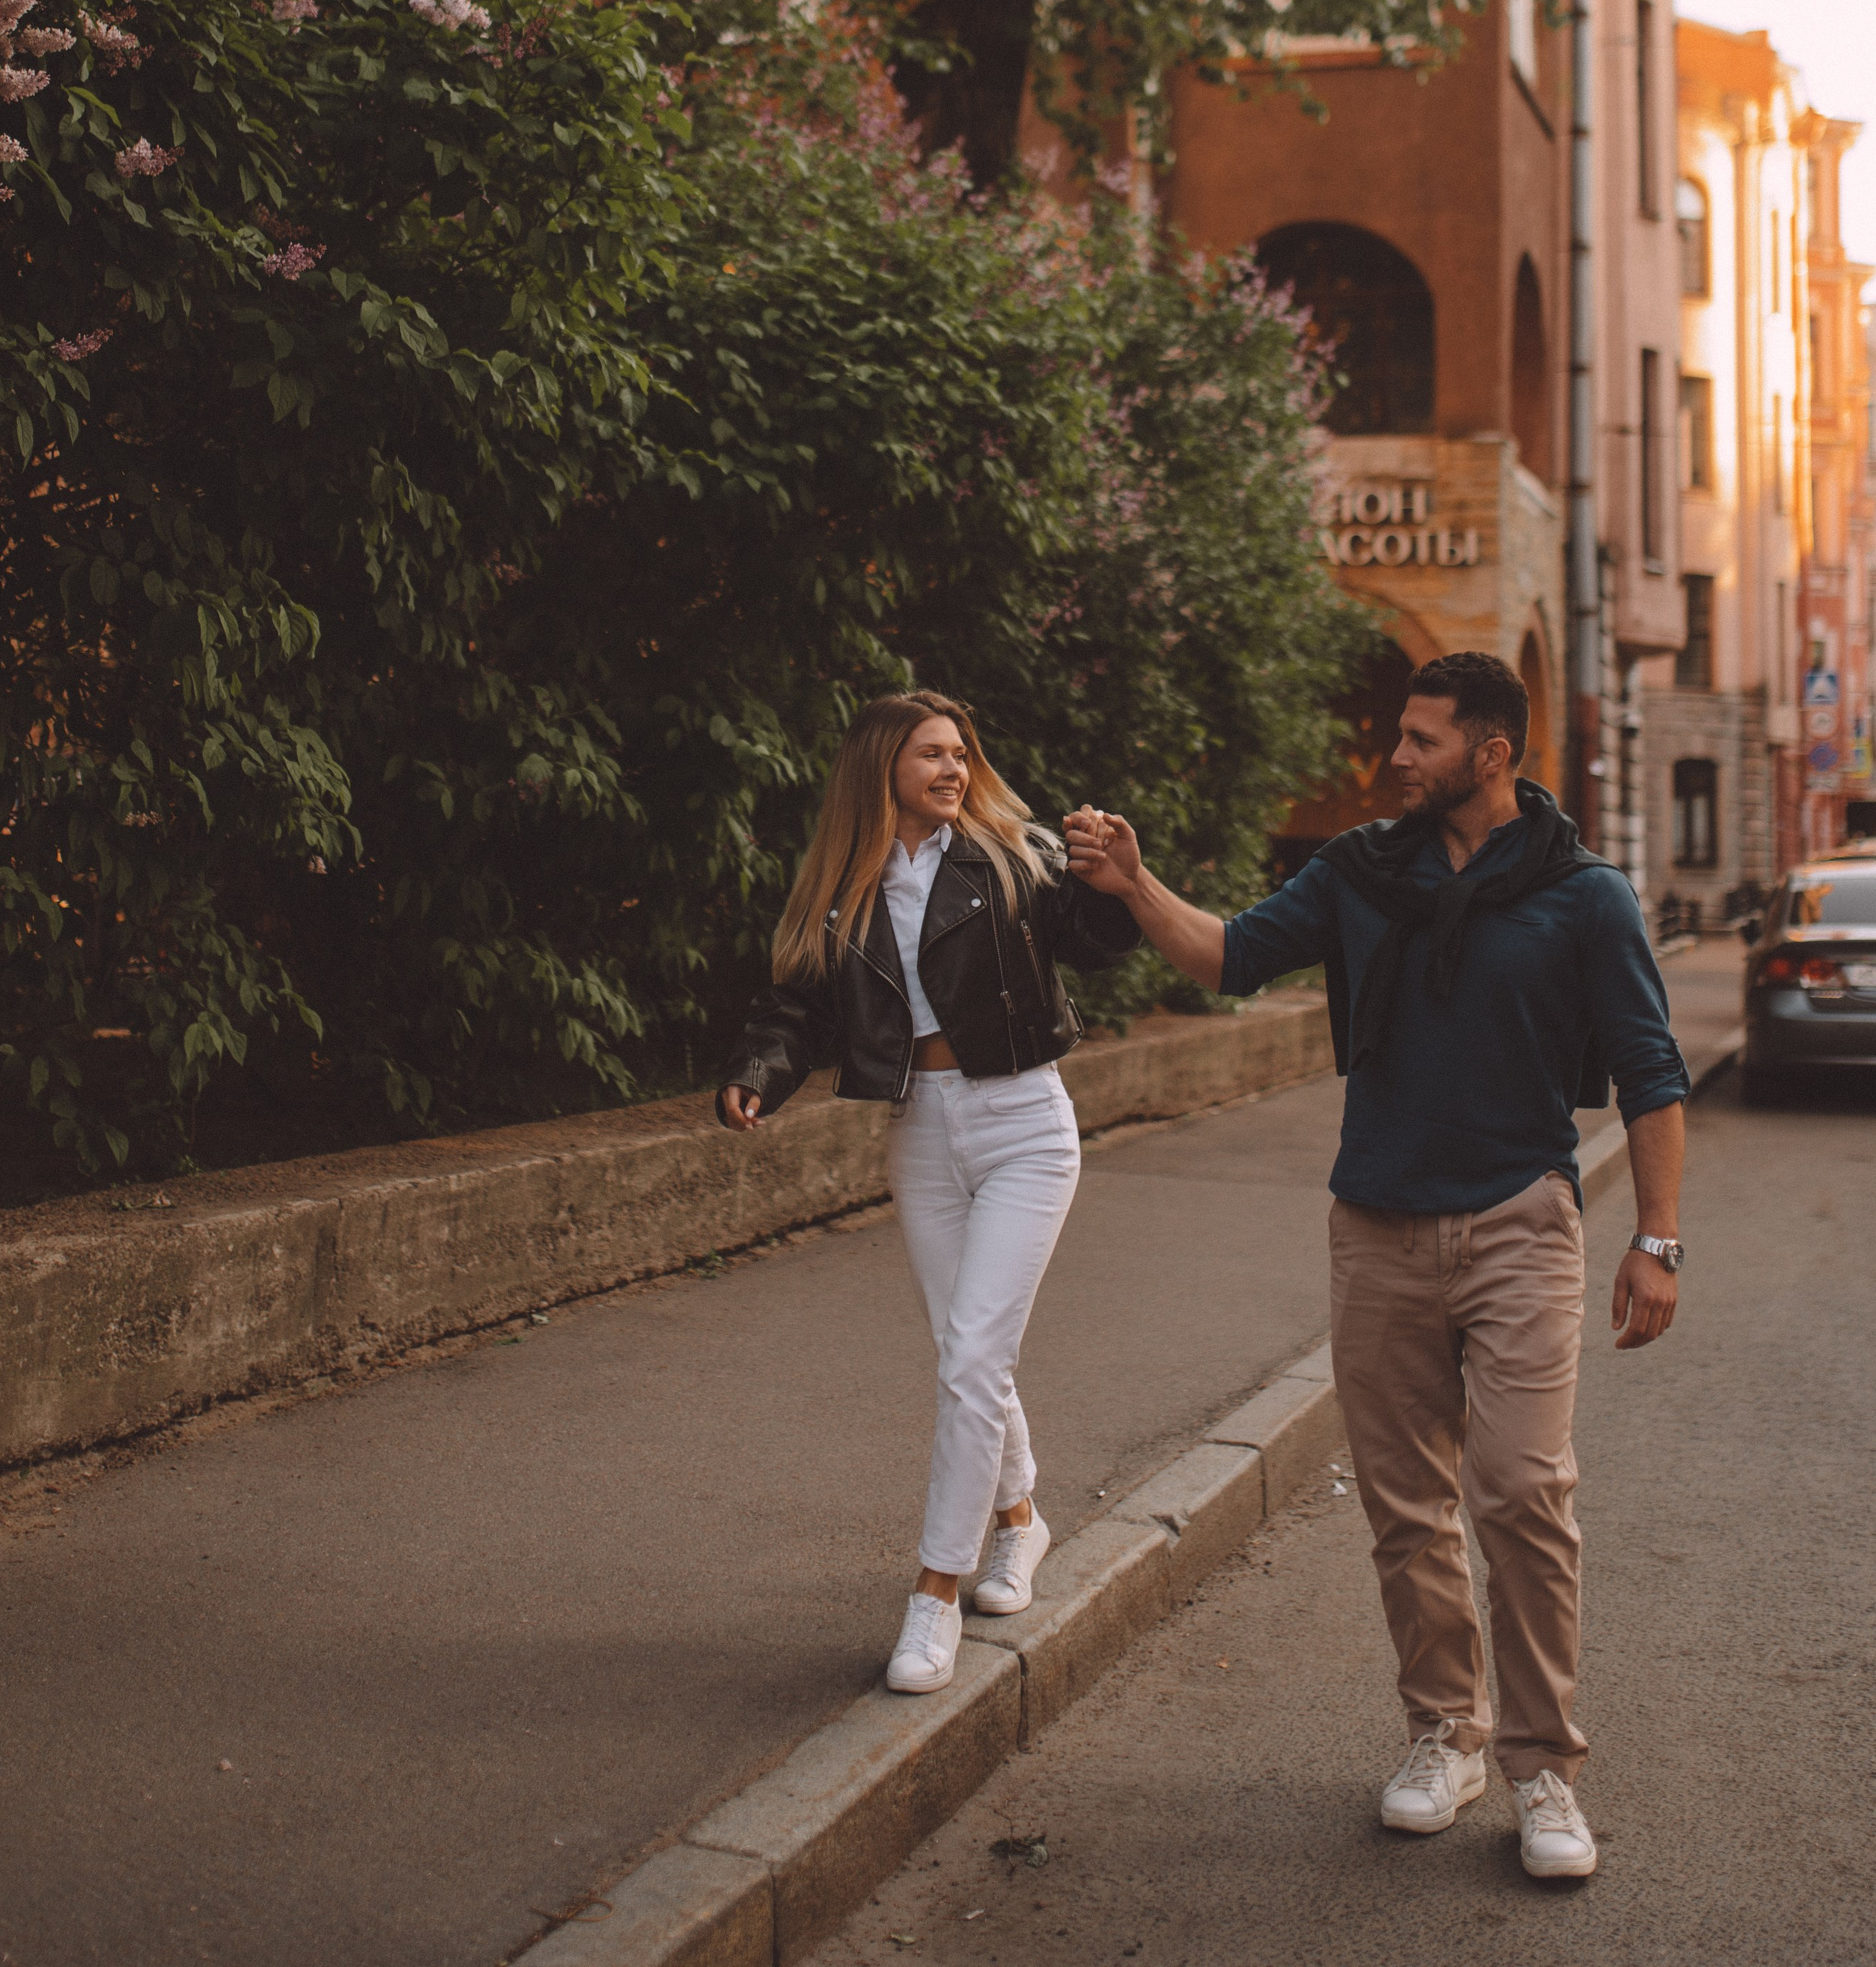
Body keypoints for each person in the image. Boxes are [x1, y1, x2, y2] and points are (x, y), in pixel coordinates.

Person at [1065, 650, 1687, 1883]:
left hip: (1520, 1220)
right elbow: (1229, 957)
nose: (1394, 756)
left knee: (1520, 1490)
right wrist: (1137, 885)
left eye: (1419, 739)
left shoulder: (1584, 896)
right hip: (1378, 1228)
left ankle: (1544, 1765)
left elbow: (1653, 1076)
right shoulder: (1362, 873)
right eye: (1399, 736)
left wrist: (1656, 1241)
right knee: (1407, 1511)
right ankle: (1442, 1738)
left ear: (1491, 754)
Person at [719, 691, 1139, 1694]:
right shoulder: (849, 887)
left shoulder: (1010, 852)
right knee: (966, 1353)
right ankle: (1021, 1521)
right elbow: (798, 1005)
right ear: (882, 771)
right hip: (921, 1130)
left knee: (973, 1358)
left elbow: (1094, 940)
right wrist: (759, 1072)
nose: (954, 770)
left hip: (1024, 1124)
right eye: (931, 757)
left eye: (961, 754)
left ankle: (934, 1595)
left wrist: (1113, 879)